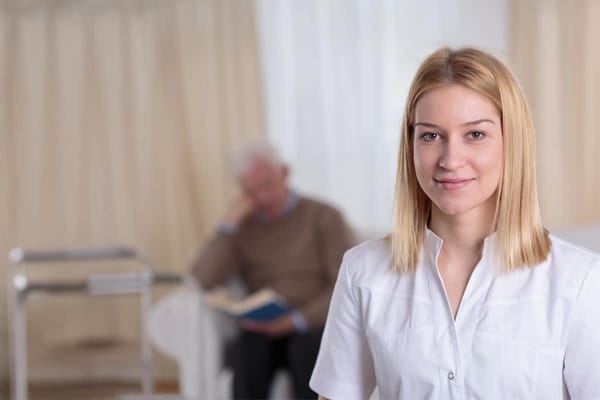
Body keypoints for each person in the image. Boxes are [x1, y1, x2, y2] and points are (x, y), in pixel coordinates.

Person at [309, 47, 600, 399]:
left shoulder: (578, 280)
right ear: (411, 146)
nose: (451, 159)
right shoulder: (363, 272)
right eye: (431, 135)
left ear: (513, 143)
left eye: (475, 134)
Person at [191, 142, 355, 399]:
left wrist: (296, 320)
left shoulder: (324, 216)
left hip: (313, 322)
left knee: (308, 349)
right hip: (265, 326)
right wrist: (226, 226)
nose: (263, 197)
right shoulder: (242, 228)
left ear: (285, 173)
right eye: (251, 191)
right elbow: (203, 280)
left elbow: (346, 284)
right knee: (247, 350)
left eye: (267, 185)